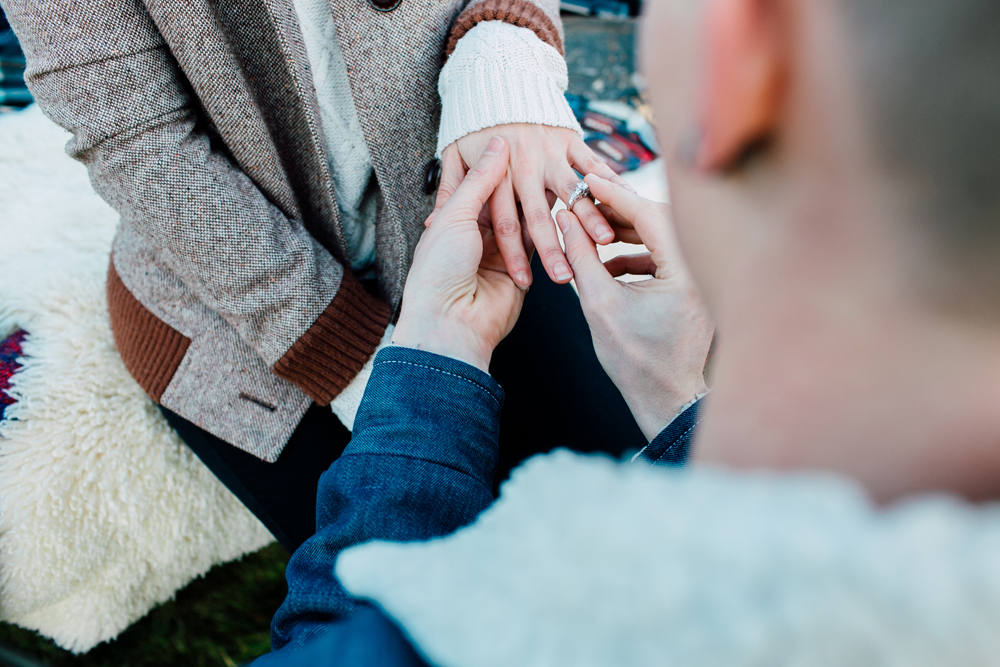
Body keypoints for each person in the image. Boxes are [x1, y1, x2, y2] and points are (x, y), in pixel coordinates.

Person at [248, 0, 1000, 662]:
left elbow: (337, 642)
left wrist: (431, 360)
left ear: (741, 54)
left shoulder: (526, 607)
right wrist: (674, 399)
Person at [0, 0, 648, 552]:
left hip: (479, 224)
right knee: (439, 591)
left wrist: (500, 49)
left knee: (637, 511)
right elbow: (133, 138)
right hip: (240, 298)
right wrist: (382, 375)